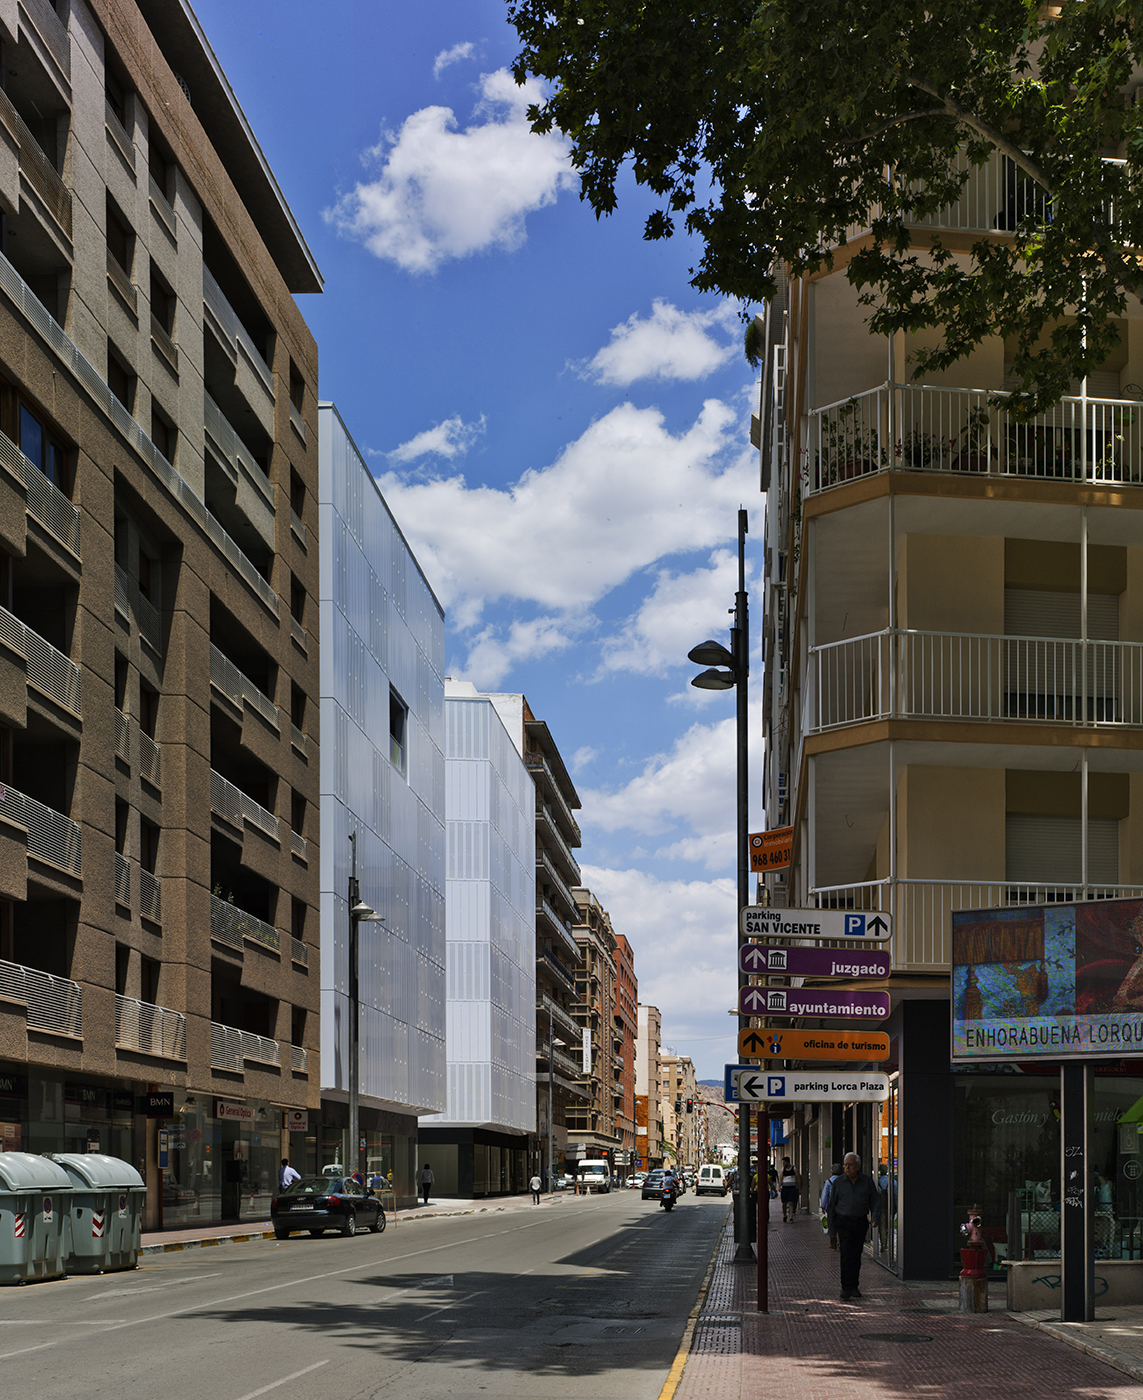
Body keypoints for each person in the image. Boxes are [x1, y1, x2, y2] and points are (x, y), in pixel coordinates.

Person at [827, 1152, 881, 1301]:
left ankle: (854, 1286)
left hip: (860, 1222)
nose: (847, 1167)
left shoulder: (867, 1182)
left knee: (856, 1255)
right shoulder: (838, 1183)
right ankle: (845, 1287)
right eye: (845, 1164)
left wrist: (874, 1218)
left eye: (850, 1164)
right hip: (843, 1222)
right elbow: (831, 1207)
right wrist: (832, 1230)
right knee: (846, 1254)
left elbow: (875, 1201)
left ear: (858, 1166)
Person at [779, 1156, 800, 1223]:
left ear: (788, 1162)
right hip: (785, 1188)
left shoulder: (794, 1169)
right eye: (783, 1162)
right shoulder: (782, 1170)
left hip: (792, 1188)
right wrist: (779, 1186)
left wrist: (799, 1188)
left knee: (791, 1202)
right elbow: (780, 1178)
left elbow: (798, 1178)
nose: (783, 1164)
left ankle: (791, 1217)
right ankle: (785, 1215)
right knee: (784, 1203)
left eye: (784, 1162)